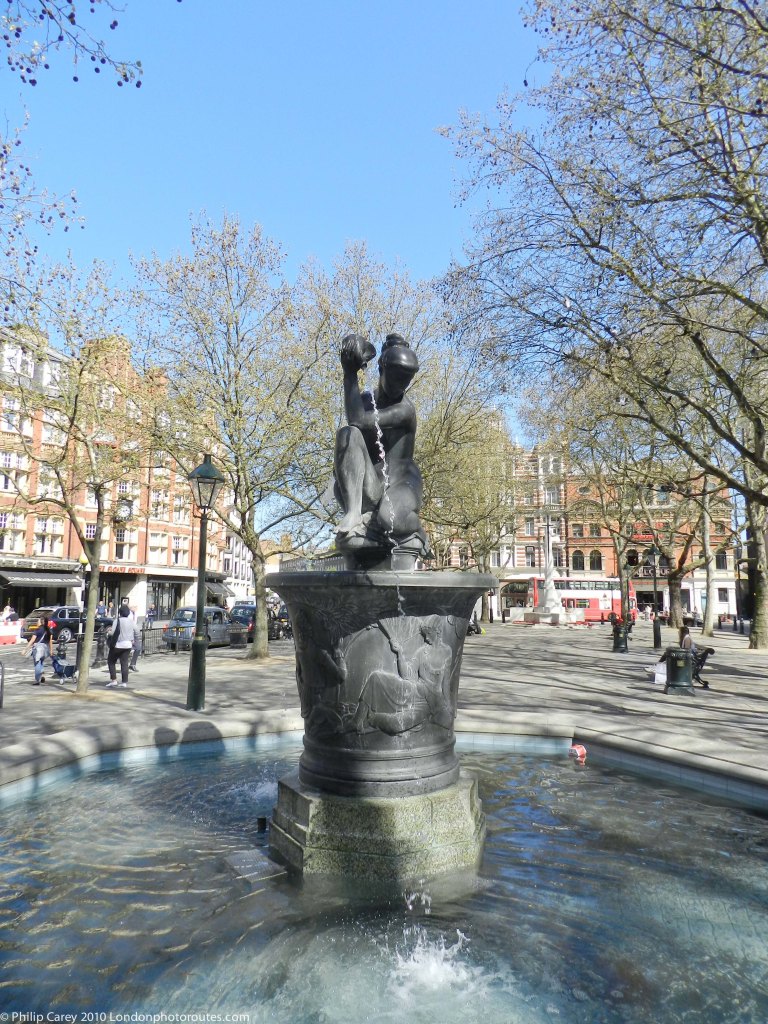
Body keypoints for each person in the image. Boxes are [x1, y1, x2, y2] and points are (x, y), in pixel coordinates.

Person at [333, 333, 429, 558]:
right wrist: (350, 370)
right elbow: (353, 424)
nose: (401, 385)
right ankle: (355, 516)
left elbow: (359, 418)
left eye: (407, 379)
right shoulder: (366, 401)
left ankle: (416, 532)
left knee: (389, 517)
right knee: (347, 435)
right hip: (374, 483)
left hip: (402, 483)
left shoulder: (405, 410)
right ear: (381, 370)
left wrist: (350, 374)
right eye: (396, 377)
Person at [106, 605, 138, 688]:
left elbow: (112, 633)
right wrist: (134, 639)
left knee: (111, 661)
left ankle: (114, 680)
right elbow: (137, 631)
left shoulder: (117, 620)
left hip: (118, 644)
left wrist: (108, 632)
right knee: (124, 663)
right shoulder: (131, 621)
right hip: (128, 645)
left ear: (120, 613)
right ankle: (124, 682)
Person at [25, 617, 53, 686]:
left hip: (38, 649)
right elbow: (50, 641)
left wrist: (25, 649)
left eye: (38, 621)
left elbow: (32, 640)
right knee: (41, 662)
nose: (37, 622)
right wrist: (51, 650)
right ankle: (41, 674)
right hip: (45, 649)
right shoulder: (49, 630)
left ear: (41, 622)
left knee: (37, 664)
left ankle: (37, 680)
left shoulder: (37, 630)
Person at [129, 605, 142, 672]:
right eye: (135, 607)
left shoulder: (135, 613)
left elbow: (136, 623)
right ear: (132, 608)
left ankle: (132, 664)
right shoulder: (128, 614)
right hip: (129, 633)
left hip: (135, 632)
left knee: (138, 648)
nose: (136, 609)